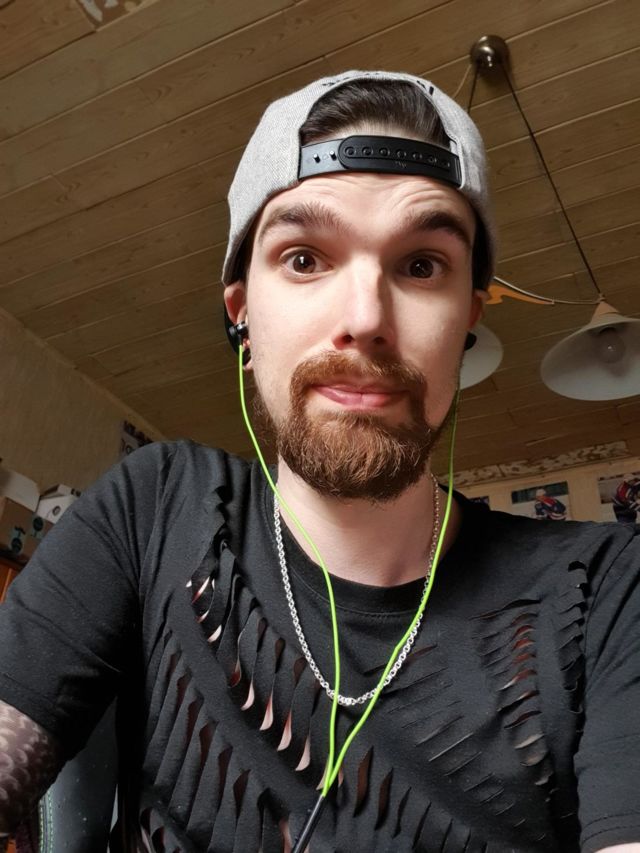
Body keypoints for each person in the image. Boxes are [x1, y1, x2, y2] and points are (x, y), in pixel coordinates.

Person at [1, 70, 639, 853]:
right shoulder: (156, 505)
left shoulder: (608, 589)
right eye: (304, 258)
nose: (365, 318)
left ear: (467, 320)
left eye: (421, 265)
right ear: (242, 313)